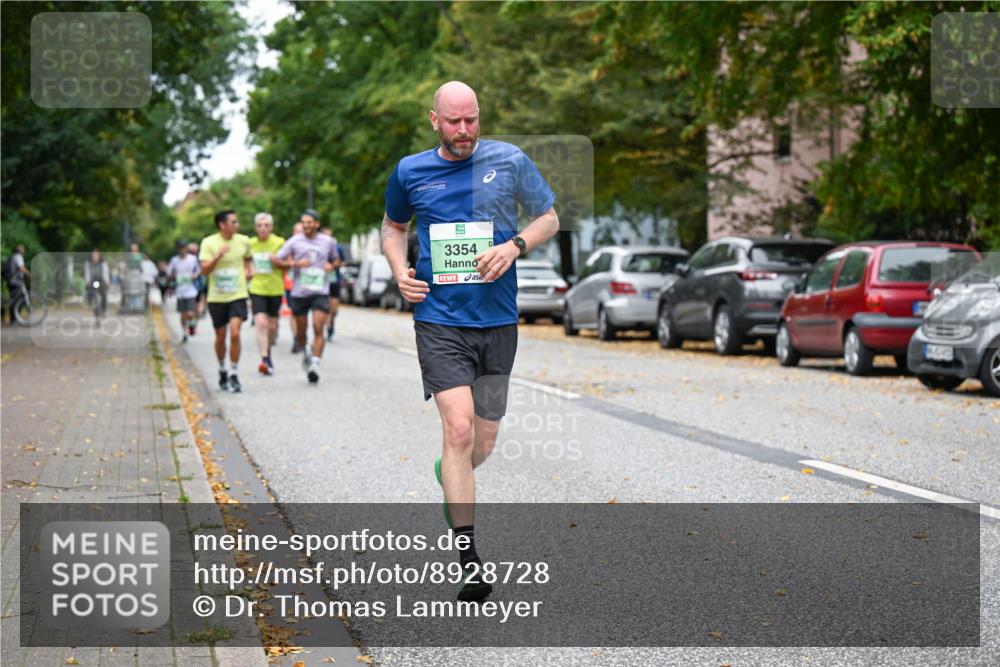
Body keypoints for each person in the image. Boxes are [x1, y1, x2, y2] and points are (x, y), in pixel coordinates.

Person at [380, 81, 559, 602]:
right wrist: (399, 270)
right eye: (454, 121)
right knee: (458, 430)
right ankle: (469, 560)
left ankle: (449, 471)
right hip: (438, 319)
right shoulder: (411, 171)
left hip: (498, 321)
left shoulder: (509, 160)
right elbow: (393, 228)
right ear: (433, 120)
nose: (464, 131)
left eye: (472, 120)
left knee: (482, 442)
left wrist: (515, 245)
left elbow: (549, 216)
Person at [273, 210, 338, 384]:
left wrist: (331, 266)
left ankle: (314, 365)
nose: (306, 225)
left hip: (320, 291)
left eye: (310, 222)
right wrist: (294, 263)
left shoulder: (328, 241)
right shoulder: (294, 241)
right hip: (300, 293)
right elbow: (276, 260)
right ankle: (306, 351)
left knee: (318, 327)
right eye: (304, 222)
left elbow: (336, 260)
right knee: (301, 333)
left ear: (317, 223)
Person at [199, 210, 252, 393]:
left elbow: (248, 259)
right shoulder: (209, 242)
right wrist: (218, 256)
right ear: (222, 225)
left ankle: (234, 373)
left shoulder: (244, 241)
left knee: (235, 333)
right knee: (221, 336)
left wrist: (247, 269)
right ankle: (222, 368)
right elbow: (204, 271)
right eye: (233, 222)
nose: (237, 225)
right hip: (217, 296)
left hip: (238, 294)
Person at [249, 213, 285, 375]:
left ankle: (268, 351)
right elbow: (245, 264)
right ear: (255, 228)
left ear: (271, 227)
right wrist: (248, 271)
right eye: (259, 225)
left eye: (266, 225)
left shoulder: (279, 242)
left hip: (275, 288)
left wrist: (278, 262)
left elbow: (288, 264)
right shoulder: (250, 244)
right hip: (257, 288)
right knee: (261, 322)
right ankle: (264, 358)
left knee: (272, 326)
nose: (262, 228)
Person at [168, 240, 201, 342]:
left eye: (184, 248)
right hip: (180, 291)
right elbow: (169, 272)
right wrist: (173, 276)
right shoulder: (174, 260)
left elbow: (200, 269)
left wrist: (195, 275)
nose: (182, 250)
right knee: (183, 314)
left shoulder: (193, 259)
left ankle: (192, 324)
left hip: (191, 290)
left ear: (186, 249)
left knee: (190, 313)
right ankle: (184, 332)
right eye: (180, 249)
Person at [320, 228, 345, 340]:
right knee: (324, 305)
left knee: (333, 307)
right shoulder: (318, 248)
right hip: (321, 280)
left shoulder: (337, 248)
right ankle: (327, 324)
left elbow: (343, 261)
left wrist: (334, 265)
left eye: (329, 236)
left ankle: (331, 320)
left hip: (334, 280)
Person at [287, 221, 305, 352]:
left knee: (304, 315)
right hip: (292, 285)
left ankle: (302, 336)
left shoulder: (313, 244)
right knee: (294, 313)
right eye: (297, 231)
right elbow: (283, 261)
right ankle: (296, 338)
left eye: (301, 231)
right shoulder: (289, 246)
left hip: (310, 286)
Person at [4, 244, 29, 324]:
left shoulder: (13, 256)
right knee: (19, 299)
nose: (24, 251)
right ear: (20, 250)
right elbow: (21, 268)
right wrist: (29, 274)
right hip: (15, 282)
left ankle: (14, 319)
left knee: (14, 300)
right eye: (23, 249)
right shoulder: (18, 257)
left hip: (11, 282)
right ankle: (14, 319)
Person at [83, 249, 110, 320]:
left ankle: (104, 309)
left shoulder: (103, 263)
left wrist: (107, 282)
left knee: (103, 293)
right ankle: (90, 302)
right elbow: (87, 273)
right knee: (91, 292)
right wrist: (87, 281)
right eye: (93, 255)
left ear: (99, 256)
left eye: (96, 255)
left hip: (101, 280)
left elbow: (105, 273)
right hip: (92, 281)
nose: (94, 257)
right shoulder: (88, 263)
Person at [190, 241, 208, 320]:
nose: (193, 252)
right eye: (191, 251)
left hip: (200, 282)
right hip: (190, 283)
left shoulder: (200, 258)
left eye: (194, 250)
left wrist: (197, 275)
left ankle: (202, 311)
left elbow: (203, 268)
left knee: (201, 297)